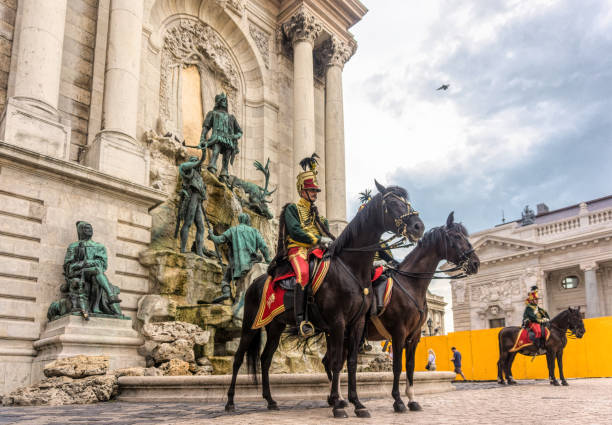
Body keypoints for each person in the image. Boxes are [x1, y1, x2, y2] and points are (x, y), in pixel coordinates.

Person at [268, 153, 334, 337]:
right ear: (302, 191)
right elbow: (295, 231)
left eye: (315, 191)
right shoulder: (292, 209)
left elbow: (327, 236)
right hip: (297, 250)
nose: (314, 194)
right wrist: (318, 240)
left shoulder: (320, 218)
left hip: (317, 252)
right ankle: (300, 320)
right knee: (303, 274)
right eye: (312, 190)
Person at [208, 213, 271, 303]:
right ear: (248, 220)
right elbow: (264, 246)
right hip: (252, 261)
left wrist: (211, 235)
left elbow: (218, 240)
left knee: (226, 279)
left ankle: (226, 292)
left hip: (236, 264)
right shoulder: (254, 231)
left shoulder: (233, 230)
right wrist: (268, 260)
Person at [63, 221, 122, 316]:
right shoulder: (73, 246)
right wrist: (84, 263)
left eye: (90, 228)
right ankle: (111, 295)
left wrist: (87, 263)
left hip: (94, 272)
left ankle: (95, 307)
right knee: (97, 270)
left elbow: (103, 264)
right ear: (80, 231)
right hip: (78, 273)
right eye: (86, 228)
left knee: (96, 275)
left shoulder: (99, 246)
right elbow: (68, 265)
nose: (89, 230)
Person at [200, 92, 242, 182]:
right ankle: (212, 169)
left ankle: (224, 174)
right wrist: (202, 138)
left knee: (226, 159)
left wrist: (234, 136)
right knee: (215, 153)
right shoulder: (212, 113)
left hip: (229, 141)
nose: (225, 102)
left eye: (225, 100)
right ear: (218, 102)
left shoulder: (231, 117)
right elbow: (206, 127)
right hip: (217, 138)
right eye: (223, 100)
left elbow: (240, 132)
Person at [177, 153, 208, 257]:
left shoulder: (199, 176)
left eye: (196, 161)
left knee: (201, 227)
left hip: (198, 200)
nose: (195, 163)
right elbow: (182, 167)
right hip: (191, 197)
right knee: (188, 223)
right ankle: (182, 248)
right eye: (193, 160)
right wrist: (203, 153)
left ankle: (200, 251)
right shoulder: (188, 170)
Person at [522, 285, 550, 349]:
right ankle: (537, 347)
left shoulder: (539, 308)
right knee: (538, 331)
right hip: (531, 322)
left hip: (539, 323)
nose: (537, 301)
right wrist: (541, 320)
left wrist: (546, 319)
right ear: (531, 300)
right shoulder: (529, 308)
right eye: (535, 299)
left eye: (537, 299)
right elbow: (532, 318)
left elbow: (545, 314)